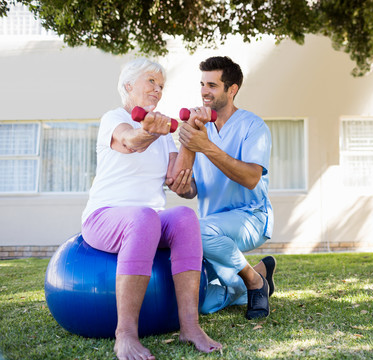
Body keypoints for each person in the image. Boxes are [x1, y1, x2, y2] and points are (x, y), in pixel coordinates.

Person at [81, 58, 222, 359]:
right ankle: (126, 334)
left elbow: (178, 183)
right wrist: (148, 132)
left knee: (185, 216)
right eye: (151, 82)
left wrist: (190, 135)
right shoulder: (114, 118)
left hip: (148, 221)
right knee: (145, 217)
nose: (157, 90)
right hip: (105, 216)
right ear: (128, 85)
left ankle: (190, 326)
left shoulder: (163, 132)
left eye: (161, 86)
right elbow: (130, 141)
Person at [169, 56, 276, 320]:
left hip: (251, 218)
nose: (205, 91)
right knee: (204, 303)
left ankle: (254, 282)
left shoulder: (253, 126)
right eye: (203, 84)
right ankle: (259, 272)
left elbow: (252, 178)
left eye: (213, 85)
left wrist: (206, 146)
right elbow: (189, 189)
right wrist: (183, 185)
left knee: (196, 229)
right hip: (211, 229)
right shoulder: (200, 127)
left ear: (232, 89)